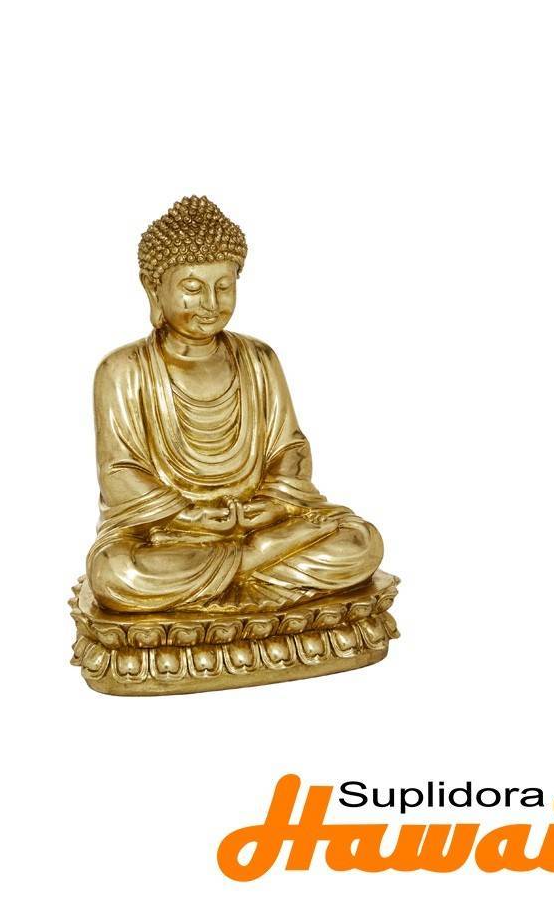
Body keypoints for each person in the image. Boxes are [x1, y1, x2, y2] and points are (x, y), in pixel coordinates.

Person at [86, 196, 383, 613]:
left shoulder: (259, 360)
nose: (211, 303)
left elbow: (289, 448)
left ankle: (233, 572)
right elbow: (119, 473)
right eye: (193, 288)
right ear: (153, 288)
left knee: (360, 541)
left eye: (224, 287)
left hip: (261, 521)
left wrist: (273, 503)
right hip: (167, 532)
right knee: (116, 573)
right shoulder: (123, 370)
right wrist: (185, 517)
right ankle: (256, 561)